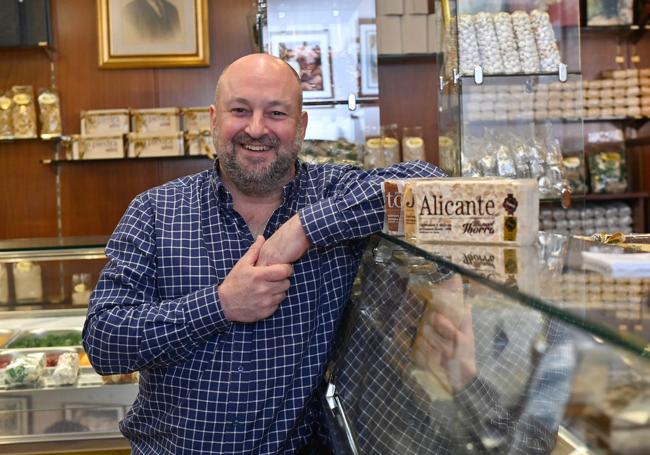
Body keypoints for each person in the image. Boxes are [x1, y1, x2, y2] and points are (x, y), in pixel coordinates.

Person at [83, 53, 445, 454]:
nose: (256, 129)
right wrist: (221, 304)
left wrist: (305, 229)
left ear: (301, 126)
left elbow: (430, 183)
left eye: (276, 113)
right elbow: (104, 342)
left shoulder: (330, 194)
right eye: (240, 110)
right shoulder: (156, 210)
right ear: (214, 119)